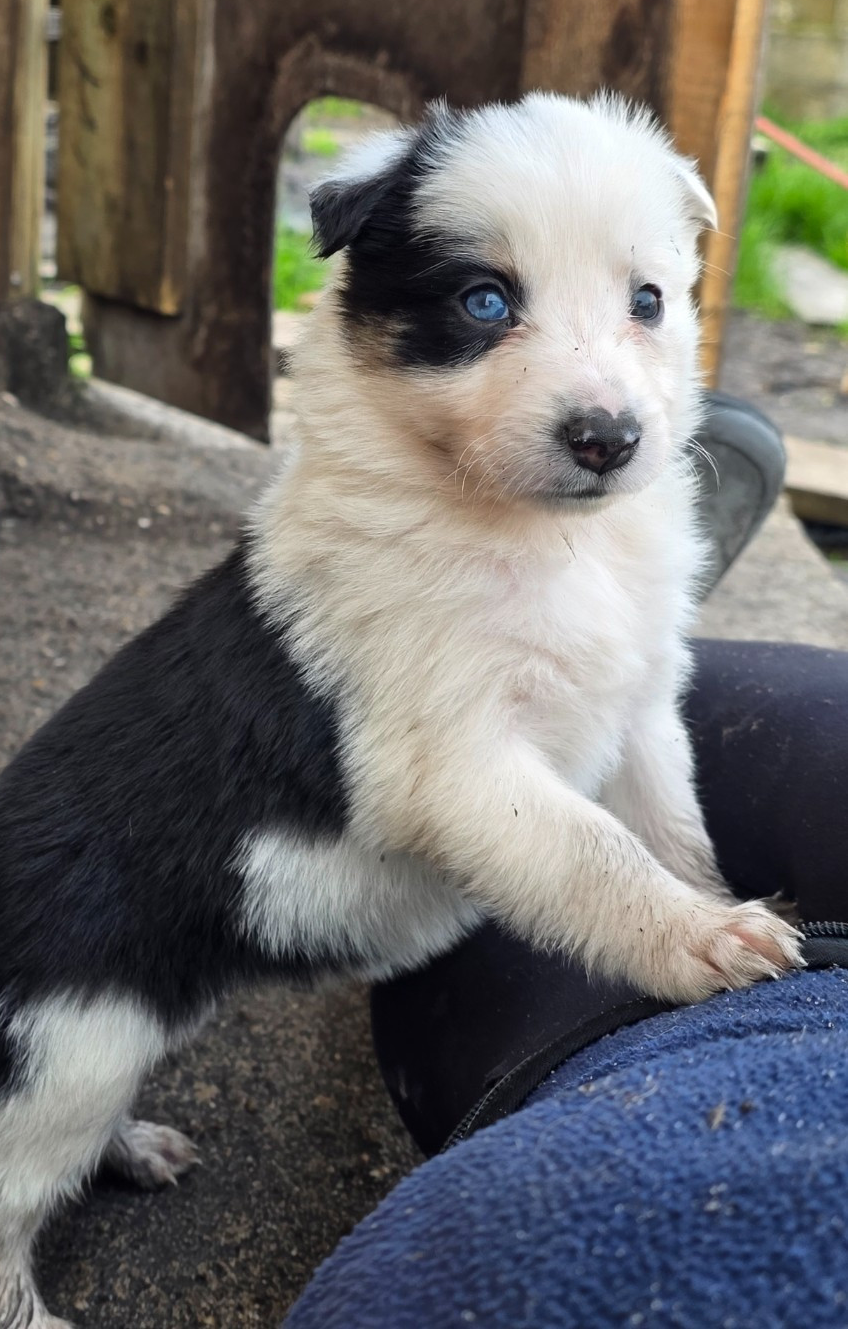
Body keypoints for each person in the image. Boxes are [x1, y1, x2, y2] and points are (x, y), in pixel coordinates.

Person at [286, 396, 848, 1328]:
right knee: (629, 702)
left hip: (593, 1127)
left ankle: (584, 624)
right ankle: (604, 621)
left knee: (502, 768)